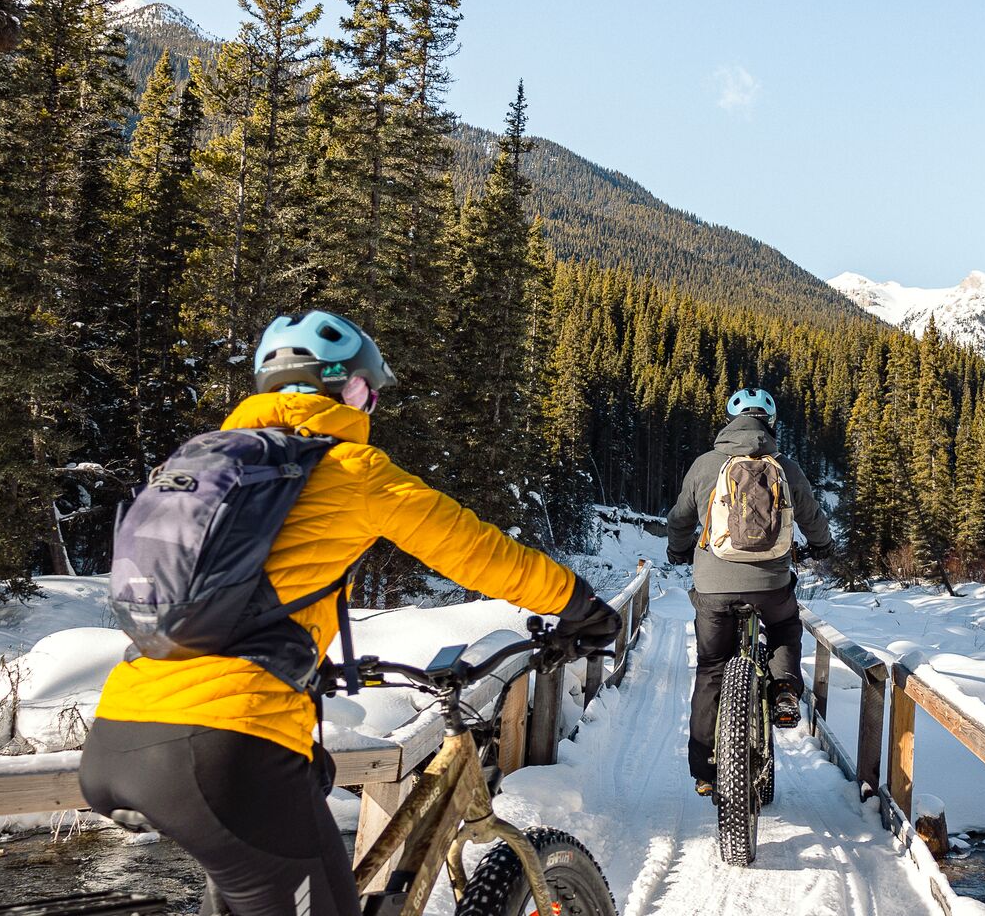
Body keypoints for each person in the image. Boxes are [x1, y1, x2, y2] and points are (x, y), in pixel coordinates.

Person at [80, 310, 620, 916]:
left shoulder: (208, 464)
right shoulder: (349, 471)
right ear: (344, 389)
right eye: (368, 389)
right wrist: (580, 606)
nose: (370, 407)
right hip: (225, 750)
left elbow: (245, 608)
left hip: (121, 732)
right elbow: (477, 552)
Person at [666, 388, 834, 798]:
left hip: (713, 587)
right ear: (770, 424)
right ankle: (783, 691)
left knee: (711, 669)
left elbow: (680, 517)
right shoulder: (786, 467)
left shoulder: (706, 465)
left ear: (729, 422)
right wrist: (824, 546)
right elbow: (811, 516)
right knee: (784, 626)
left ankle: (705, 770)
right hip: (771, 585)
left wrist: (678, 550)